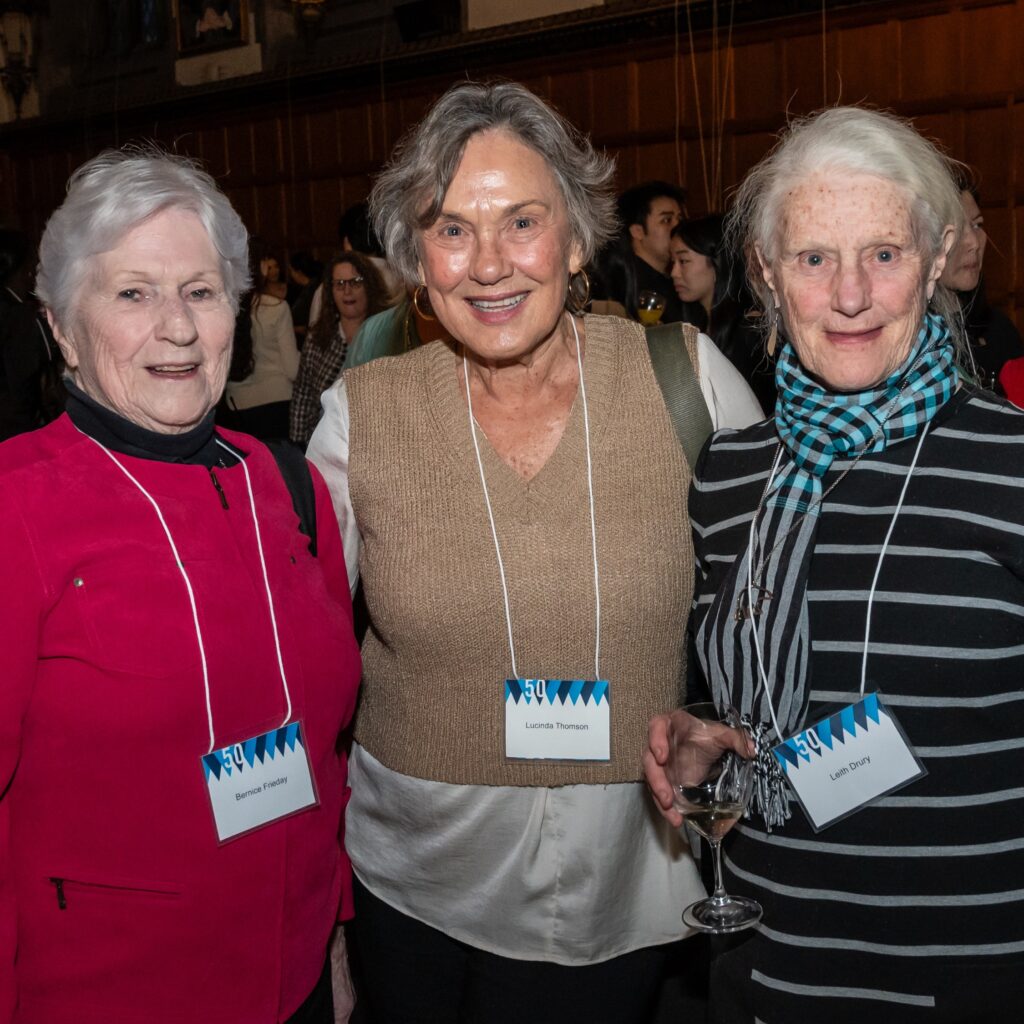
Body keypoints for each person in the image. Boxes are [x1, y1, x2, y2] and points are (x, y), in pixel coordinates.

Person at [307, 80, 762, 1024]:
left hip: (622, 875)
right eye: (450, 228)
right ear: (416, 260)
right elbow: (300, 663)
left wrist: (718, 721)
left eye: (521, 221)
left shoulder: (689, 379)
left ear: (574, 233)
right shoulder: (363, 417)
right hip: (417, 882)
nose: (488, 265)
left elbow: (765, 610)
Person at [644, 106, 1024, 1021]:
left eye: (884, 255)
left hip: (971, 979)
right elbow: (769, 716)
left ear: (935, 261)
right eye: (815, 259)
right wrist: (714, 750)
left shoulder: (1011, 465)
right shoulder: (731, 475)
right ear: (769, 274)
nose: (850, 294)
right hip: (766, 971)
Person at [0, 148, 361, 1022]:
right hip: (106, 993)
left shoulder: (289, 486)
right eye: (133, 293)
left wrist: (336, 948)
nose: (178, 328)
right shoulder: (16, 505)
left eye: (201, 292)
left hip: (296, 973)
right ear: (60, 328)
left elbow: (324, 754)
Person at [669, 215, 773, 411]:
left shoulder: (750, 330)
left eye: (683, 261)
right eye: (672, 261)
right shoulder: (696, 321)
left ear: (717, 263)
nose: (674, 272)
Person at [290, 252, 390, 447]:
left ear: (369, 287)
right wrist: (299, 447)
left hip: (377, 445)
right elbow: (303, 396)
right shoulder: (318, 338)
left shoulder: (386, 336)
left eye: (355, 282)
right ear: (330, 291)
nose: (347, 291)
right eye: (340, 284)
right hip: (325, 447)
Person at [937, 180, 1023, 393]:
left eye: (977, 225)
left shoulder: (1000, 330)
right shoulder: (912, 346)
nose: (974, 243)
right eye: (954, 230)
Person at [223, 239, 301, 439]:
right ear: (261, 267)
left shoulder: (224, 308)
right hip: (278, 399)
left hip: (237, 403)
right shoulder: (276, 308)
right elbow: (292, 369)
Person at [617, 180, 692, 323]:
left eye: (679, 219)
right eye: (667, 220)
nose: (678, 227)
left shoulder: (674, 281)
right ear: (637, 231)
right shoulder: (627, 287)